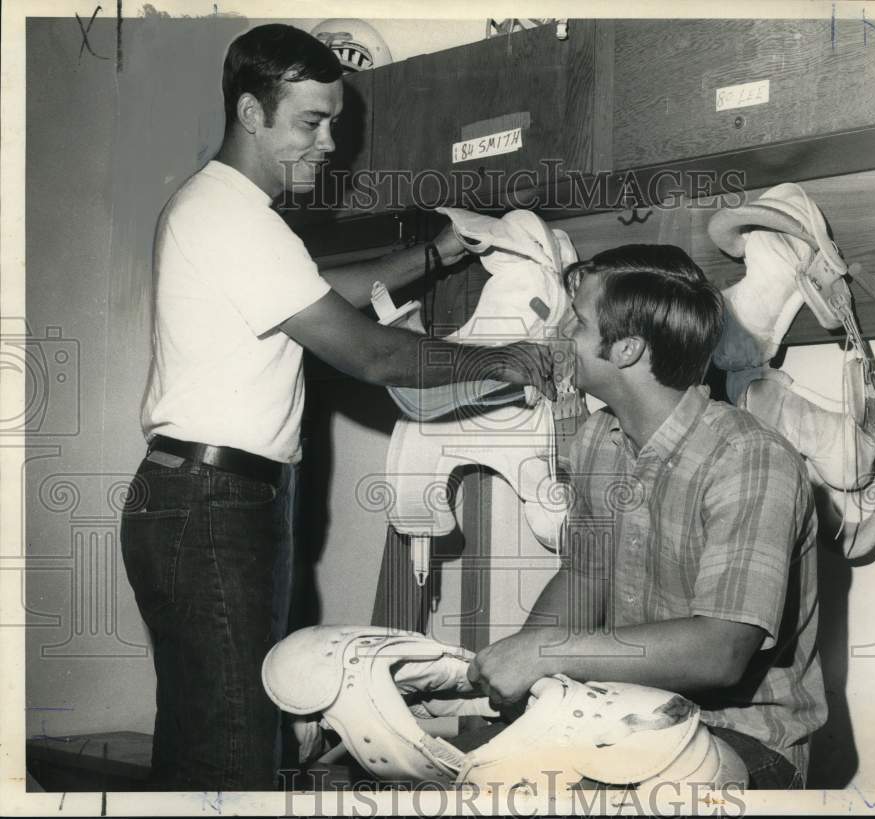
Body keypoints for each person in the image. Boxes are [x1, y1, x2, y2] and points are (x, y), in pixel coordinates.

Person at [120, 23, 553, 791]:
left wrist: (437, 254)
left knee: (208, 735)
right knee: (232, 750)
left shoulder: (232, 211)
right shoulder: (232, 217)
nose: (328, 144)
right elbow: (369, 351)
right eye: (311, 123)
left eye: (334, 124)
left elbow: (319, 295)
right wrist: (511, 360)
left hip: (211, 499)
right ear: (252, 114)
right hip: (212, 504)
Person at [467, 244, 827, 789]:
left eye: (577, 323)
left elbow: (720, 651)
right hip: (625, 716)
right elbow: (584, 574)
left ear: (628, 349)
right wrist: (516, 684)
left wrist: (544, 653)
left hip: (745, 738)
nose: (559, 335)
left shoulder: (750, 459)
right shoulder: (595, 439)